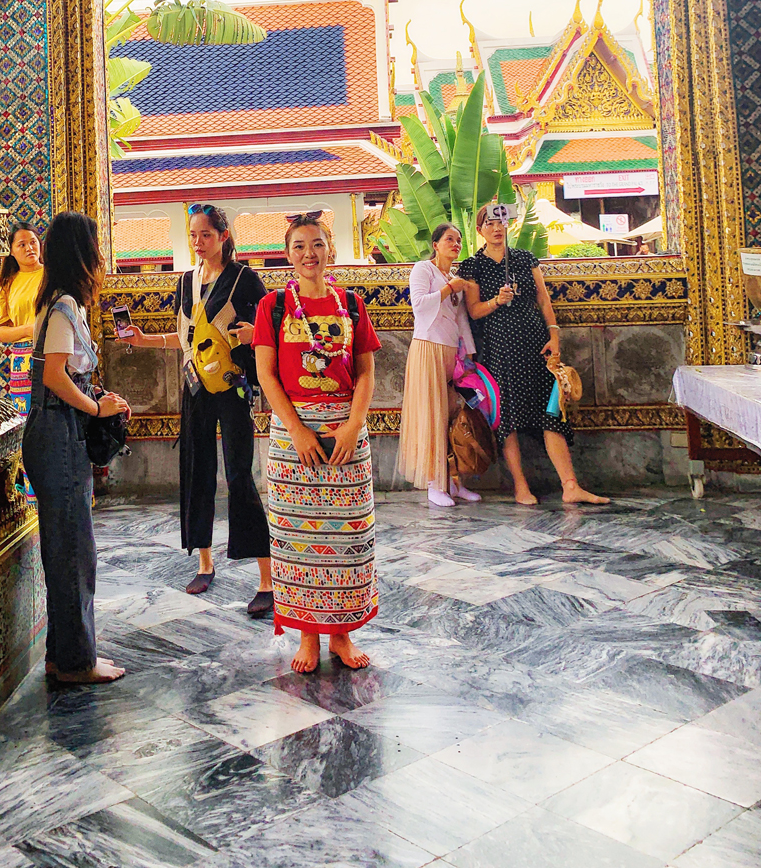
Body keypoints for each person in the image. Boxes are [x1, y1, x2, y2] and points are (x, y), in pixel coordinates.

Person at [124, 204, 273, 616]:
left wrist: (252, 333)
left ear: (223, 236)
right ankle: (205, 563)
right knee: (197, 470)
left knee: (240, 475)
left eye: (206, 235)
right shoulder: (186, 282)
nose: (198, 243)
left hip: (231, 389)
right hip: (195, 389)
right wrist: (144, 340)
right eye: (193, 235)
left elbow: (273, 327)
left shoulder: (245, 279)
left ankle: (266, 576)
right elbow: (185, 337)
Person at [253, 211, 381, 674]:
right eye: (299, 246)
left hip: (346, 430)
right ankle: (308, 634)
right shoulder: (272, 307)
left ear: (331, 249)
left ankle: (342, 633)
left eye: (318, 244)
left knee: (348, 535)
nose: (310, 254)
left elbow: (366, 370)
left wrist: (351, 425)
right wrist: (298, 430)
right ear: (287, 255)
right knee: (297, 538)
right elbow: (266, 375)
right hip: (293, 436)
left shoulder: (351, 303)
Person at [23, 211, 130, 684]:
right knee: (72, 551)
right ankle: (74, 663)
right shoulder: (64, 306)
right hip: (58, 432)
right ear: (82, 255)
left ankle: (67, 654)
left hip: (54, 431)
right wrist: (97, 409)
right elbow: (53, 377)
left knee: (69, 547)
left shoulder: (58, 303)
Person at [459, 206, 608, 507]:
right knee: (508, 417)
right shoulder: (473, 265)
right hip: (499, 348)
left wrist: (554, 335)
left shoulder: (525, 258)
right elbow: (473, 310)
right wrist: (496, 301)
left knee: (551, 411)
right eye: (490, 223)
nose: (497, 228)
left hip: (535, 344)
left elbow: (543, 298)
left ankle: (570, 484)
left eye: (501, 222)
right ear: (480, 230)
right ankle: (520, 486)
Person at [400, 222, 482, 508]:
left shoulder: (455, 278)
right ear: (435, 244)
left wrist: (469, 354)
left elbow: (461, 320)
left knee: (453, 417)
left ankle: (454, 480)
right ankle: (435, 483)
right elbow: (420, 306)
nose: (455, 244)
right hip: (428, 347)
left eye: (459, 240)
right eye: (449, 239)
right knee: (432, 415)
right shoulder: (424, 270)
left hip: (452, 354)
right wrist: (449, 288)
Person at [0, 224, 46, 499]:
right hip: (22, 362)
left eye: (33, 242)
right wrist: (26, 329)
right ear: (11, 251)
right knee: (29, 429)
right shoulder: (7, 285)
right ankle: (32, 498)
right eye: (21, 244)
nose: (29, 248)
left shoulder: (52, 276)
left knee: (56, 422)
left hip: (53, 354)